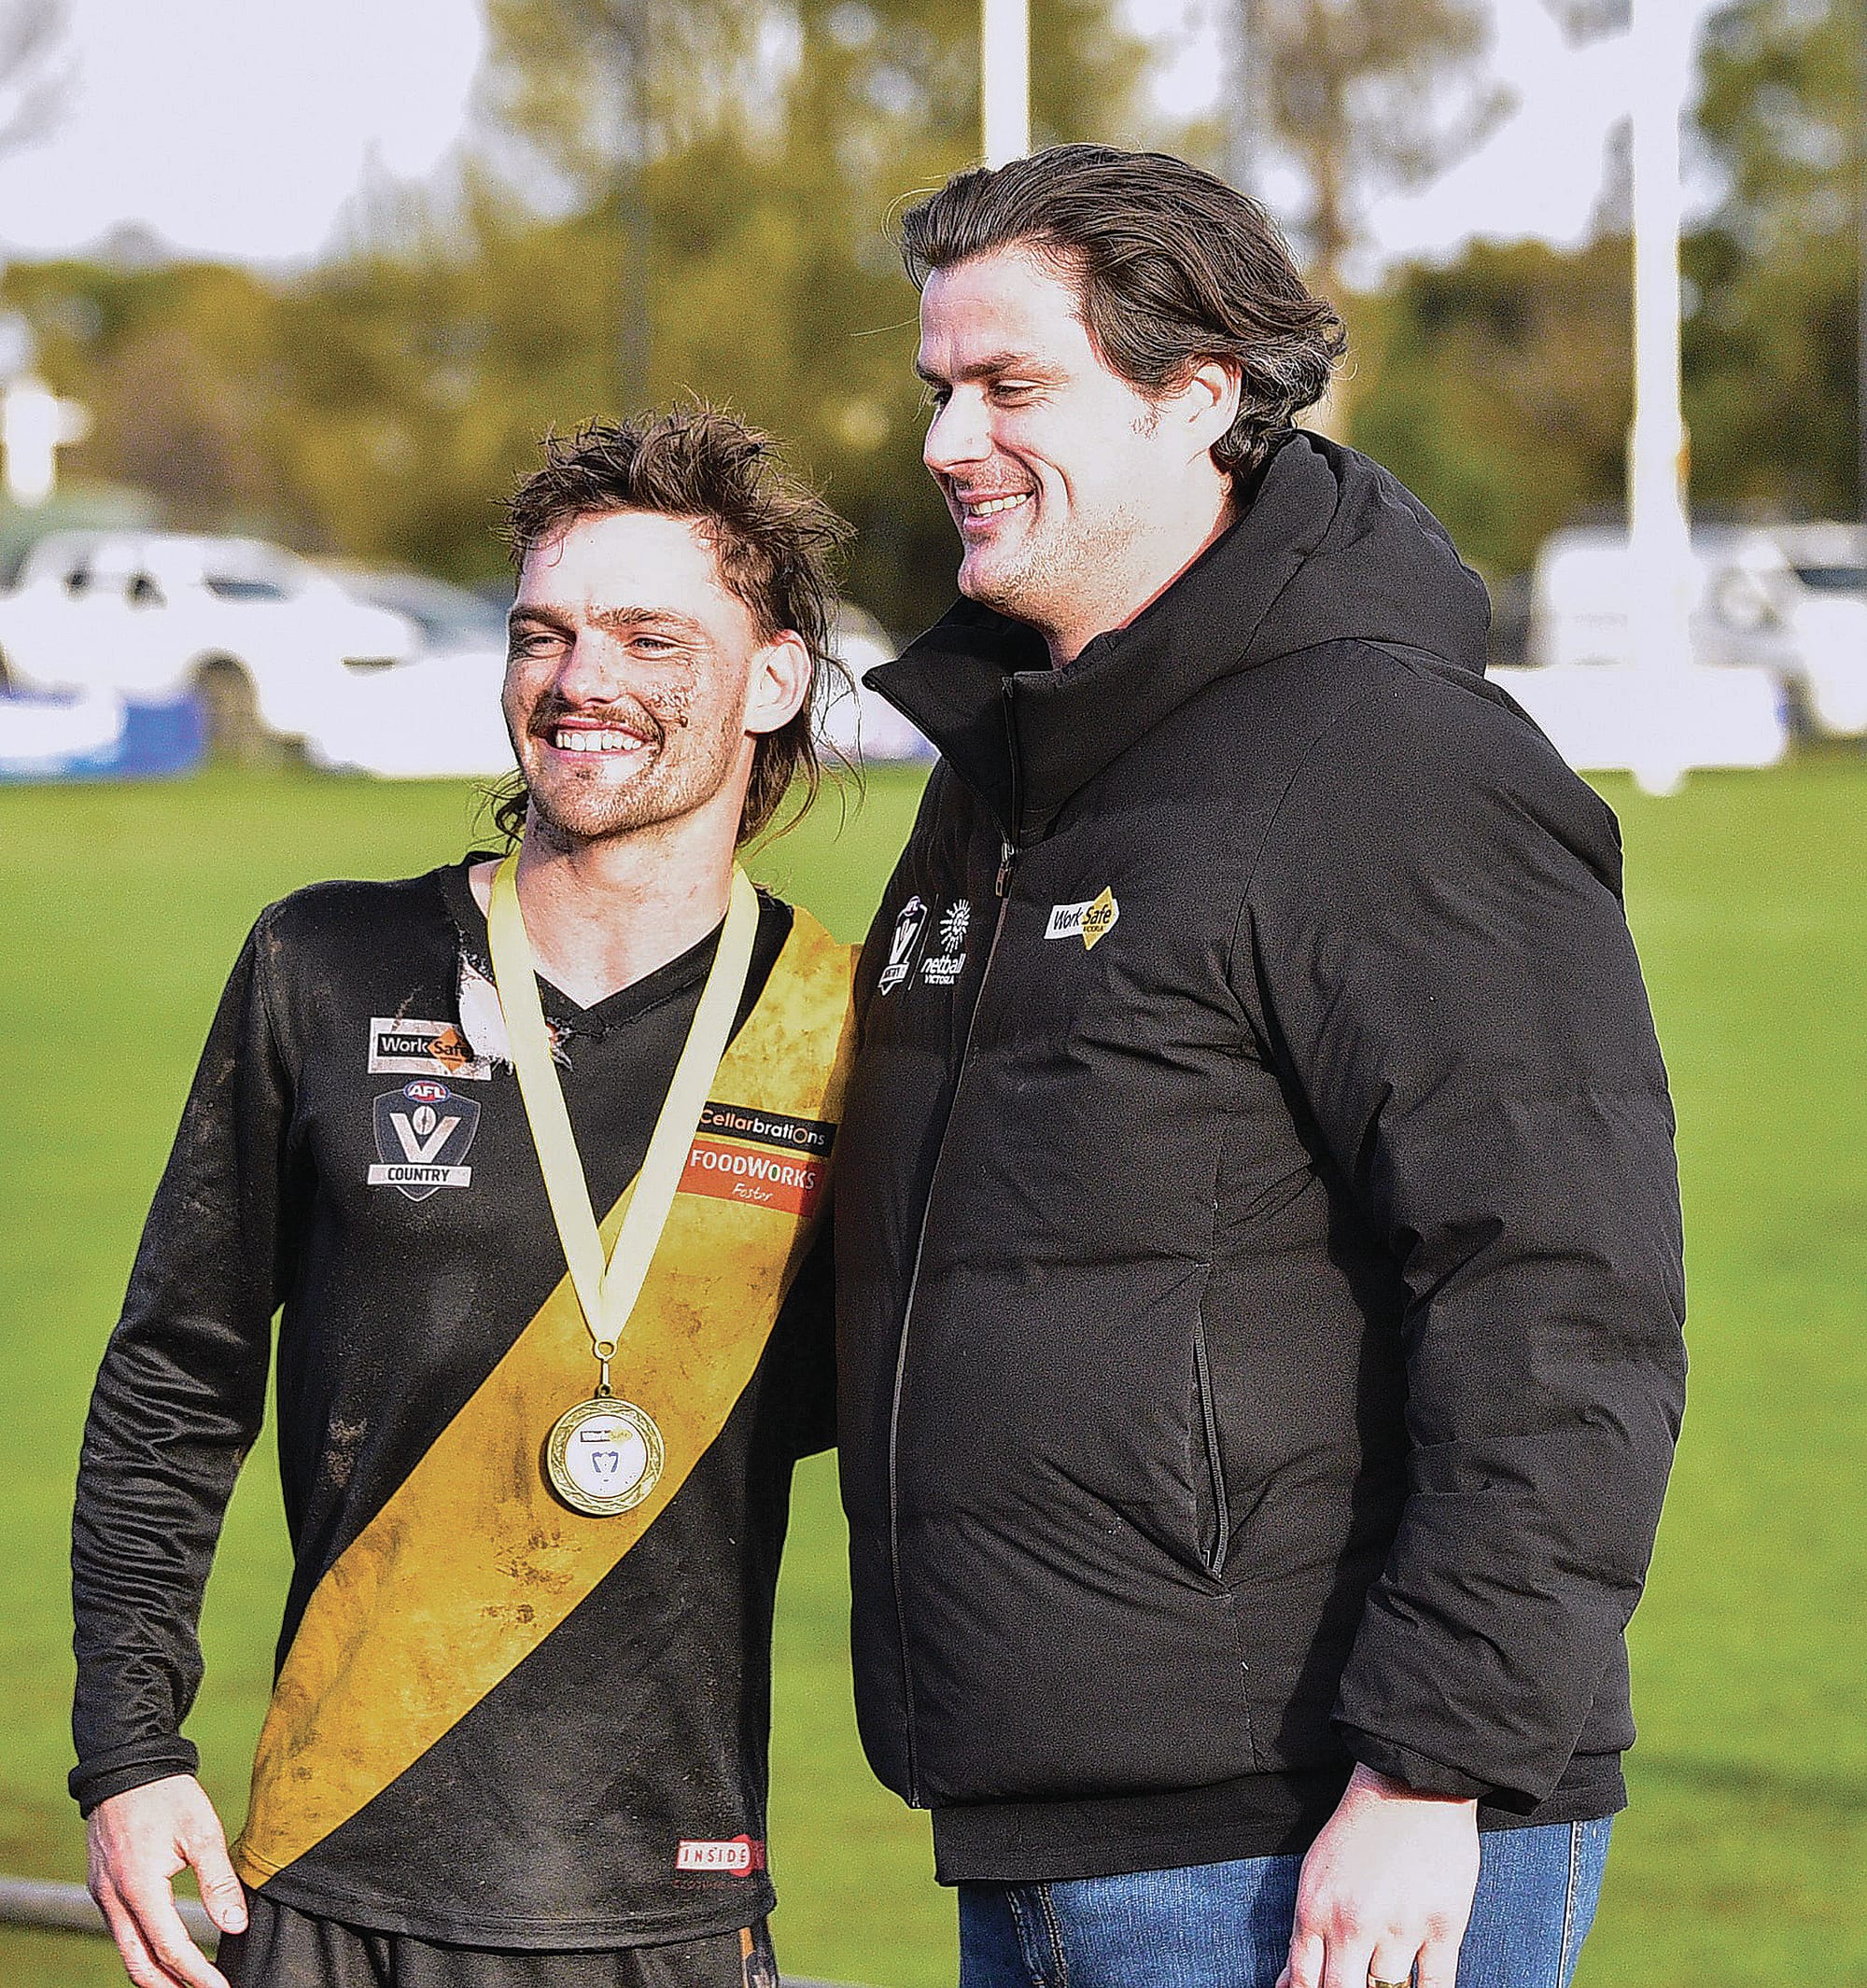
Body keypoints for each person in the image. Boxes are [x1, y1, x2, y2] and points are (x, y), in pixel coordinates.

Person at [834, 145, 1687, 1988]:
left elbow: (1559, 1295)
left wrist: (1432, 1771)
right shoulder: (1004, 770)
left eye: (1009, 388)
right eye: (936, 392)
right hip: (1039, 1810)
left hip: (1307, 1841)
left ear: (1197, 398)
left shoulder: (1385, 757)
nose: (946, 443)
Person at [72, 405, 858, 1988]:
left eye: (651, 635)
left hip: (670, 1903)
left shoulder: (847, 1032)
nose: (584, 681)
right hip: (328, 1875)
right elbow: (177, 1378)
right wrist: (129, 1748)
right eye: (544, 633)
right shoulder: (324, 959)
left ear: (774, 677)